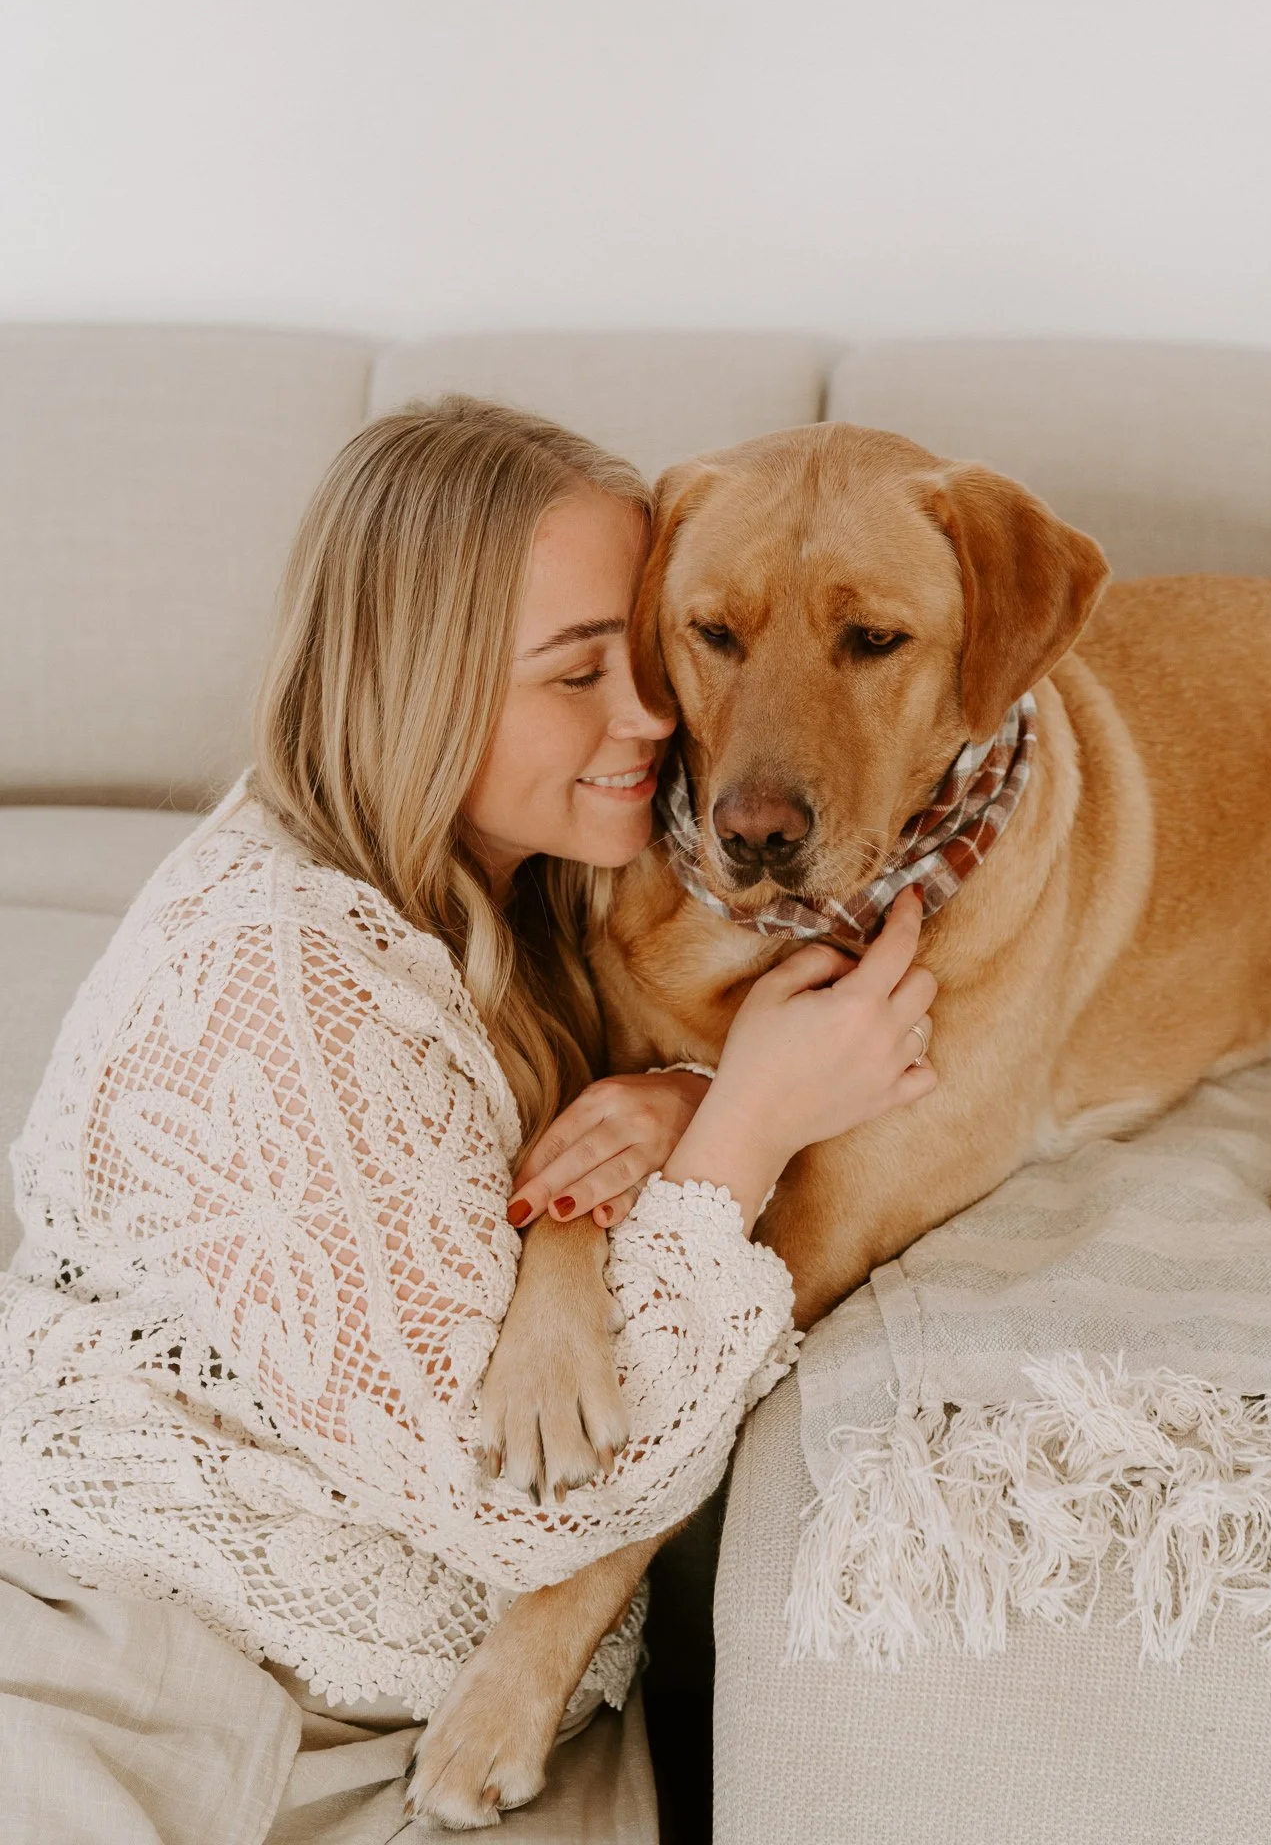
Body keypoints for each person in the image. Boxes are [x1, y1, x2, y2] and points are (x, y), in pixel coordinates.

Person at [0, 396, 937, 1834]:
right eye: (579, 674)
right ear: (422, 687)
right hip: (143, 1681)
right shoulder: (285, 981)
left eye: (651, 657)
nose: (660, 720)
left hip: (396, 1707)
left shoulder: (535, 874)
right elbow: (530, 1511)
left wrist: (678, 1094)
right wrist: (748, 1122)